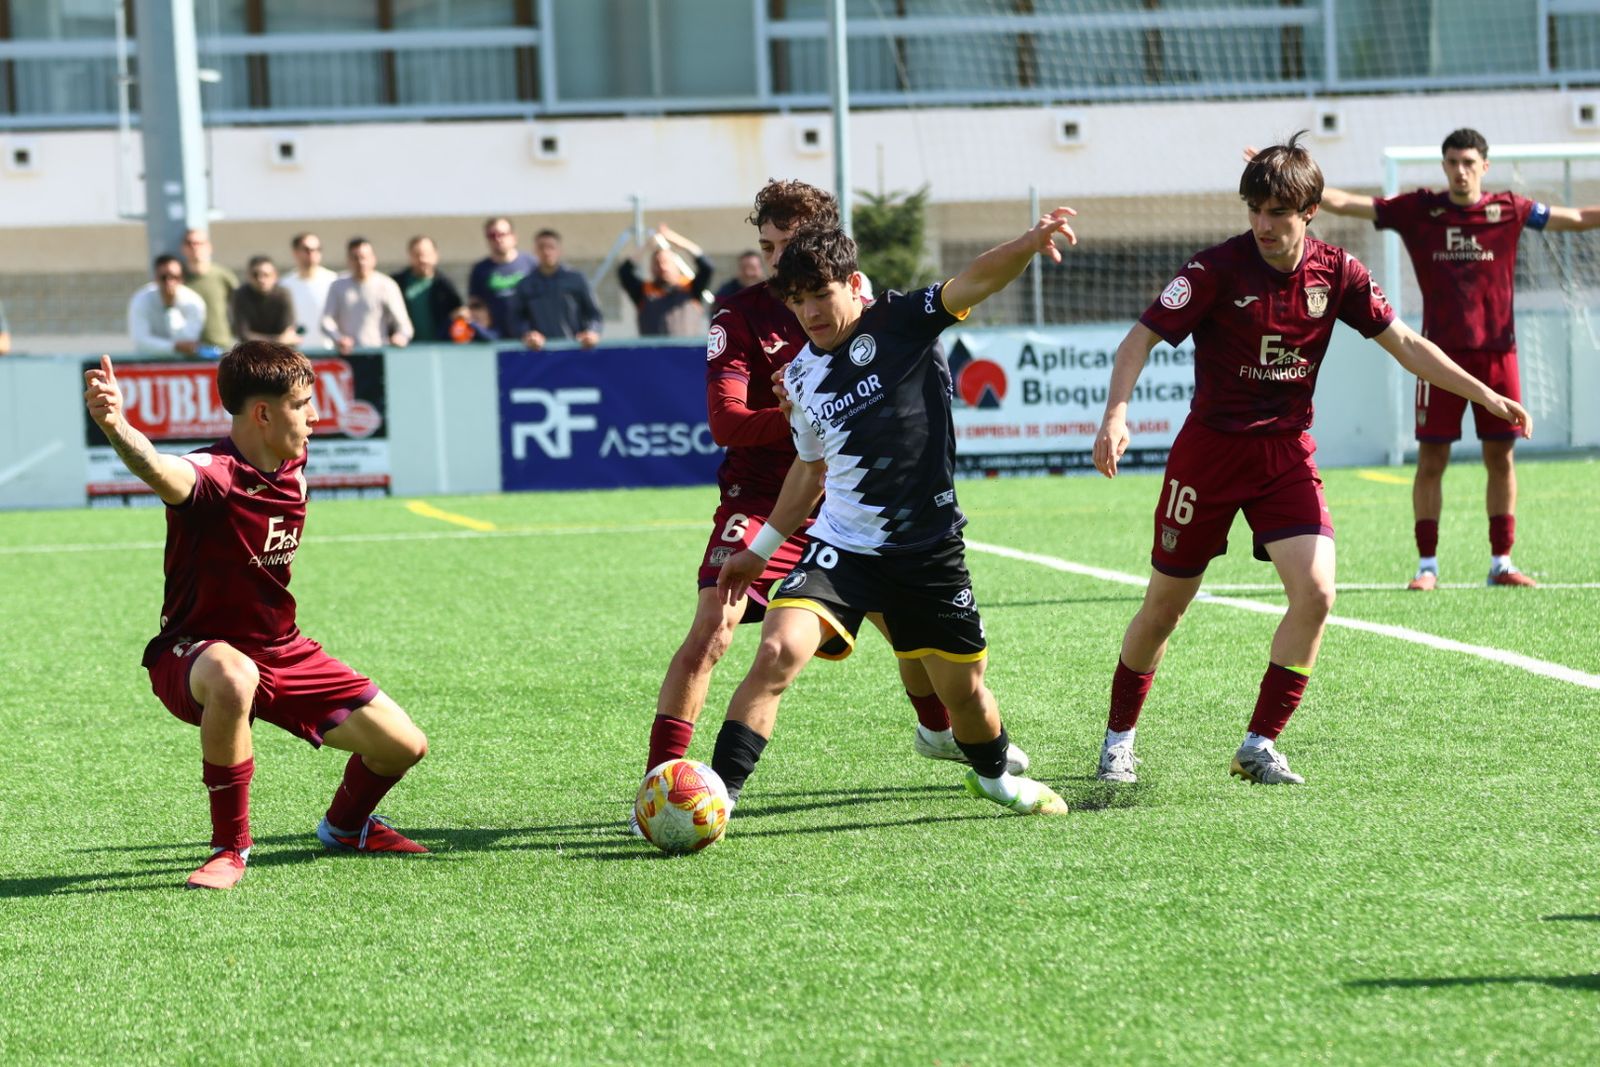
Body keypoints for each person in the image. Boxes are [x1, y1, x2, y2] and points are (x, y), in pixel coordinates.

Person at [1090, 134, 1531, 788]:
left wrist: (1485, 393)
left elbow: (1407, 343)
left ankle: (1260, 742)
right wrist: (1116, 414)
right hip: (1209, 453)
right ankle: (1118, 738)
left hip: (1285, 454)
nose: (1263, 225)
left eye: (1278, 212)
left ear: (1310, 211)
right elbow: (1139, 339)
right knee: (1164, 608)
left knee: (1318, 591)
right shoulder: (1215, 270)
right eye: (1255, 210)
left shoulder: (1339, 273)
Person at [635, 180, 1027, 825]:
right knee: (750, 642)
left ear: (843, 271)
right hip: (805, 518)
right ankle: (690, 790)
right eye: (769, 254)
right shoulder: (768, 342)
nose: (794, 288)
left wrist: (1029, 244)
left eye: (799, 263)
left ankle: (968, 751)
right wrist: (763, 532)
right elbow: (771, 447)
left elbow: (967, 288)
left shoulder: (887, 313)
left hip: (904, 530)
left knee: (942, 669)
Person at [711, 215, 1079, 817]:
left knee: (965, 697)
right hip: (843, 550)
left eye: (820, 295)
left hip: (929, 553)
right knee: (777, 651)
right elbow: (809, 470)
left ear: (853, 284)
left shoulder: (903, 320)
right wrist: (762, 548)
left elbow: (976, 281)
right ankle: (720, 795)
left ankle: (994, 776)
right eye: (797, 301)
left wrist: (1029, 244)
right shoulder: (801, 376)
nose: (809, 313)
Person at [82, 342, 430, 890]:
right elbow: (159, 467)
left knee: (404, 746)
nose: (316, 416)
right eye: (303, 404)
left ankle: (346, 828)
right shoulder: (212, 476)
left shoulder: (293, 462)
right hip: (194, 652)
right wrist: (114, 426)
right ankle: (230, 846)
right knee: (232, 673)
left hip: (282, 649)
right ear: (263, 413)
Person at [1313, 128, 1600, 589]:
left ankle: (1501, 562)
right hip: (1437, 359)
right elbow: (1348, 204)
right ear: (1443, 166)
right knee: (1431, 460)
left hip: (1498, 354)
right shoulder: (1420, 209)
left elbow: (1578, 216)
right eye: (1452, 162)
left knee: (1501, 459)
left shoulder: (1509, 209)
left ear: (1484, 166)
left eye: (1469, 162)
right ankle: (1427, 565)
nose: (1460, 170)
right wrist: (1296, 182)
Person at [511, 229, 602, 350]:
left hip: (575, 350)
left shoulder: (576, 279)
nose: (546, 251)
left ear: (560, 250)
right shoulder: (525, 284)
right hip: (540, 354)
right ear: (535, 251)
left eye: (551, 247)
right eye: (541, 247)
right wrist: (528, 335)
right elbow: (516, 319)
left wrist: (592, 332)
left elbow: (594, 314)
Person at [618, 224, 715, 337]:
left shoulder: (691, 288)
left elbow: (707, 266)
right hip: (653, 352)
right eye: (657, 263)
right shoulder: (644, 291)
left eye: (665, 262)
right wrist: (648, 245)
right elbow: (624, 271)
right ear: (651, 268)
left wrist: (675, 239)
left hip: (686, 352)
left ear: (676, 265)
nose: (662, 267)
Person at [322, 237, 413, 354]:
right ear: (348, 260)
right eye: (355, 258)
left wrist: (401, 337)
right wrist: (338, 338)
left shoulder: (387, 285)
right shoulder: (337, 286)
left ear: (373, 259)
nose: (361, 262)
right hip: (347, 354)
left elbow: (404, 324)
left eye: (364, 257)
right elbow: (326, 320)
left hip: (378, 353)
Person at [468, 217, 537, 338]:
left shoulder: (531, 264)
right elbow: (475, 305)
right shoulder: (480, 270)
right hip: (496, 339)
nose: (498, 239)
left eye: (502, 234)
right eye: (492, 235)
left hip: (530, 340)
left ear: (513, 237)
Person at [128, 254, 207, 356]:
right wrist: (174, 347)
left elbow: (188, 341)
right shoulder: (140, 300)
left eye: (175, 277)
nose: (169, 282)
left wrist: (170, 308)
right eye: (164, 277)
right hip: (148, 363)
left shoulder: (194, 302)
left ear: (181, 279)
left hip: (182, 364)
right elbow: (141, 341)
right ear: (156, 278)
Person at [392, 235, 465, 343]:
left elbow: (458, 311)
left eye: (426, 255)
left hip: (440, 348)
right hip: (405, 348)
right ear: (410, 256)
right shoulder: (396, 284)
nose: (423, 259)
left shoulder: (445, 285)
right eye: (417, 255)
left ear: (436, 256)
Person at [181, 229, 238, 350]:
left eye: (199, 243)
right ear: (183, 248)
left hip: (222, 345)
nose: (194, 247)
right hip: (188, 349)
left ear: (209, 247)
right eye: (190, 243)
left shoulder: (223, 276)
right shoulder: (177, 278)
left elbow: (240, 305)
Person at [281, 232, 338, 351]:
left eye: (317, 249)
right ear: (295, 252)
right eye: (306, 249)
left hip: (330, 352)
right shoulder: (284, 285)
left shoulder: (334, 281)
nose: (312, 253)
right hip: (296, 354)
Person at [230, 256, 298, 344]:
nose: (261, 279)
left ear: (275, 276)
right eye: (255, 275)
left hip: (280, 351)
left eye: (266, 275)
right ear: (248, 276)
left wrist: (285, 338)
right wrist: (278, 340)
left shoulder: (283, 295)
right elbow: (243, 334)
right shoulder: (240, 295)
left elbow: (288, 331)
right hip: (251, 351)